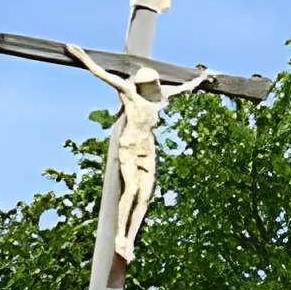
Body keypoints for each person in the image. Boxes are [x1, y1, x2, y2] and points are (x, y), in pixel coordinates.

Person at [63, 46, 213, 277]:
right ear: (142, 86)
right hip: (130, 146)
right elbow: (101, 73)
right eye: (151, 84)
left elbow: (186, 87)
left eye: (156, 82)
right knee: (131, 189)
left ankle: (130, 241)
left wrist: (202, 77)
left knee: (144, 197)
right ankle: (120, 236)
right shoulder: (130, 94)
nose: (156, 86)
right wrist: (80, 55)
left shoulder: (162, 96)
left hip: (147, 148)